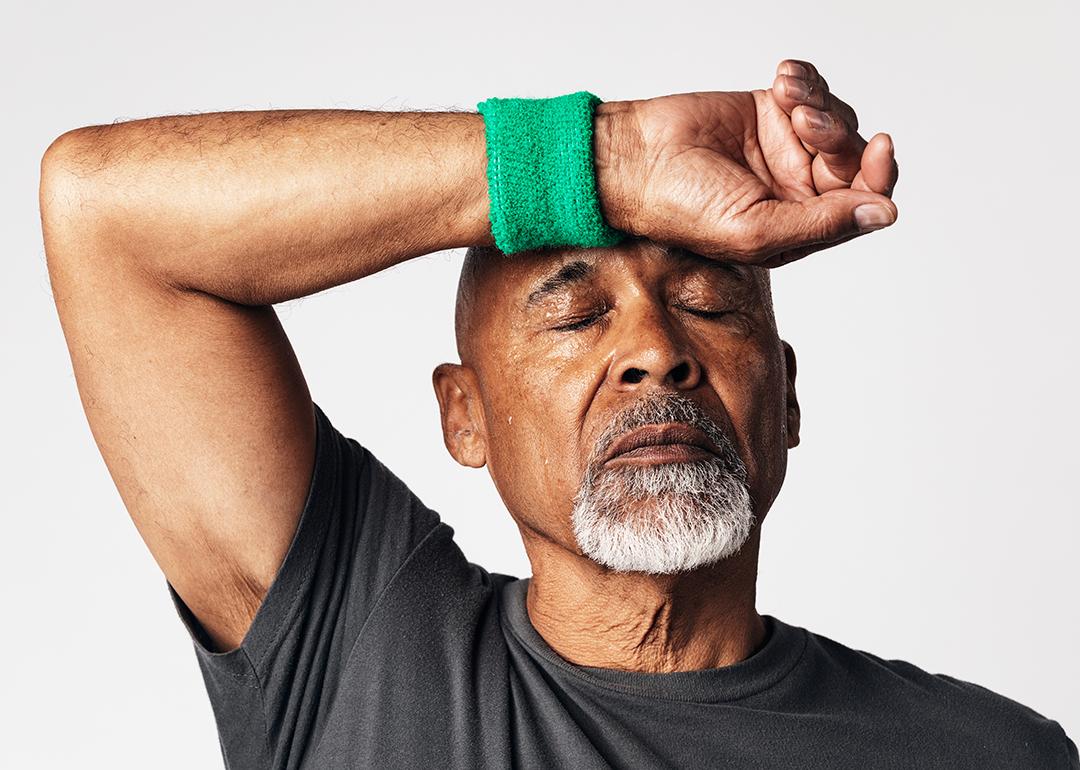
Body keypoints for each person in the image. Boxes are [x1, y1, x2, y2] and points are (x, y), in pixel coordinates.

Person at [39, 59, 1076, 769]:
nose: (656, 353)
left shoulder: (987, 752)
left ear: (789, 395)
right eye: (576, 315)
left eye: (709, 303)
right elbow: (106, 211)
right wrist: (601, 156)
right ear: (466, 416)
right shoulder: (363, 649)